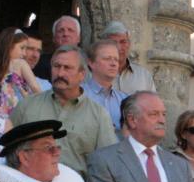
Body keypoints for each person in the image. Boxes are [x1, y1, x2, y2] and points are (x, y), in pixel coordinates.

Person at [10, 45, 117, 175]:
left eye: (67, 68)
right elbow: (7, 150)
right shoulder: (27, 105)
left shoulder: (98, 115)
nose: (60, 73)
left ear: (82, 74)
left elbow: (108, 165)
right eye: (56, 66)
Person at [0, 27, 50, 115]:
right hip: (15, 111)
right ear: (9, 46)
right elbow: (35, 87)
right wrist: (45, 107)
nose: (24, 53)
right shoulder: (20, 63)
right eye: (22, 48)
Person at [81, 39, 129, 132]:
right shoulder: (78, 95)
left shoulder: (125, 99)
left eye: (116, 60)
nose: (113, 64)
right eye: (107, 59)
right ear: (91, 63)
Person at [101, 21, 156, 94]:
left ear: (129, 44)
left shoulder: (143, 76)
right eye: (113, 42)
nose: (118, 47)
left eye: (123, 42)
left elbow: (152, 101)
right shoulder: (94, 74)